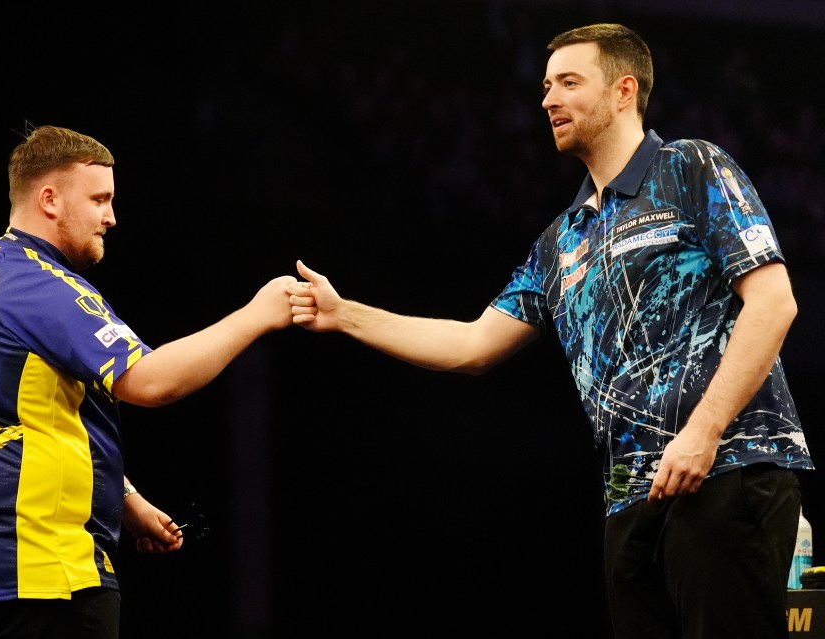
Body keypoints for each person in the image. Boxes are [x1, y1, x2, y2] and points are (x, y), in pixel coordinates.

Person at [288, 23, 814, 639]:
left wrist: (702, 434)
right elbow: (471, 344)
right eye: (545, 86)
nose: (547, 100)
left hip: (726, 470)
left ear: (623, 91)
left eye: (568, 82)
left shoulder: (691, 167)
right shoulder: (561, 241)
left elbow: (774, 304)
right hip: (630, 500)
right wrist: (344, 314)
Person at [0, 124, 297, 639]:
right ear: (49, 199)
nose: (111, 217)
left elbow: (26, 422)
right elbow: (152, 381)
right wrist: (258, 315)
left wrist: (128, 501)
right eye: (99, 199)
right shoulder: (42, 286)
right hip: (40, 571)